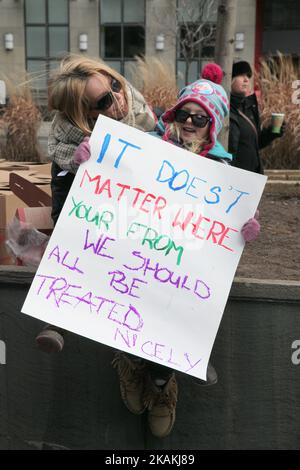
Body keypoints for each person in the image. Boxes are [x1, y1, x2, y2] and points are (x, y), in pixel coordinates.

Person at [75, 75, 260, 439]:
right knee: (127, 305)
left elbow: (228, 225)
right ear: (173, 116)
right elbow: (107, 178)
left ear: (213, 126)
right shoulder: (143, 149)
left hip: (181, 268)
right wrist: (89, 159)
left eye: (200, 118)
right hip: (135, 254)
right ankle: (129, 363)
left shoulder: (224, 173)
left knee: (172, 320)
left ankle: (162, 385)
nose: (189, 122)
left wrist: (245, 226)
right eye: (184, 114)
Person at [35, 55, 157, 352]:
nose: (118, 97)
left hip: (152, 244)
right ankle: (58, 319)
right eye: (104, 101)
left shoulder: (147, 118)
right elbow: (63, 219)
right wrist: (80, 172)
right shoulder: (71, 151)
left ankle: (185, 349)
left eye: (115, 84)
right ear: (85, 114)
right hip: (110, 248)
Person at [229, 60, 285, 174]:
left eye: (248, 76)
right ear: (229, 79)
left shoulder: (250, 108)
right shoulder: (224, 109)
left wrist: (272, 133)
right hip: (232, 177)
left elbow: (255, 144)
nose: (246, 79)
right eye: (241, 75)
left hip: (252, 176)